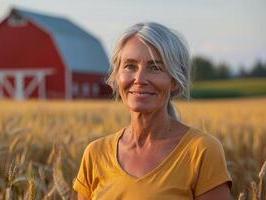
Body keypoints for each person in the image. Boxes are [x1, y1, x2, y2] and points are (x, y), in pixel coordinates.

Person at [73, 22, 232, 200]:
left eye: (155, 68)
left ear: (174, 81)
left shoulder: (201, 151)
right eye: (130, 66)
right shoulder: (95, 154)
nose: (139, 79)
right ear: (117, 76)